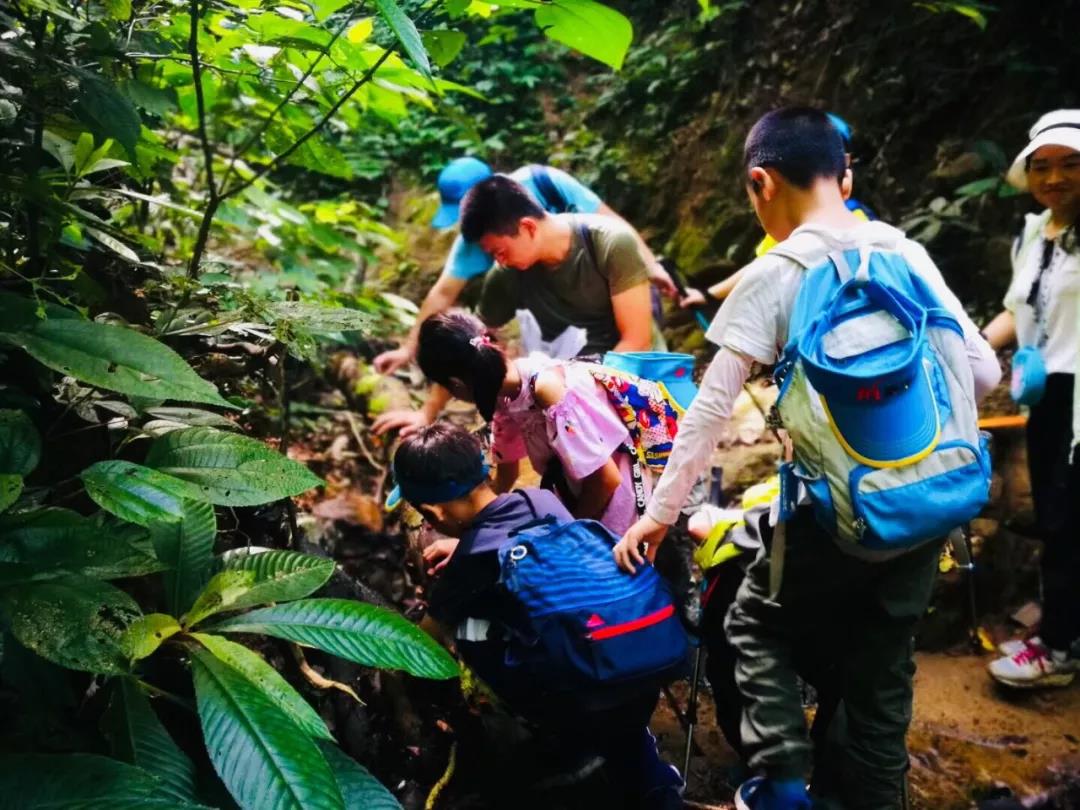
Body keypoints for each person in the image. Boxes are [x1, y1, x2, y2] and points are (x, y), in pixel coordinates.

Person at [614, 108, 1000, 809]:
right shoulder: (905, 252)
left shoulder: (778, 274)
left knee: (755, 623)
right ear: (842, 173)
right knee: (882, 680)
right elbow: (983, 378)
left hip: (835, 520)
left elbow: (705, 413)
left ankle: (782, 784)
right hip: (930, 508)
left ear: (761, 181)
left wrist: (657, 513)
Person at [397, 423, 684, 809]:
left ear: (431, 512)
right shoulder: (540, 502)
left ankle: (547, 740)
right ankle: (650, 776)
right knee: (624, 740)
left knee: (468, 627)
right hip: (639, 668)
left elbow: (422, 640)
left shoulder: (472, 561)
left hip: (580, 698)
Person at [374, 161, 677, 437]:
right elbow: (467, 347)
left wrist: (568, 394)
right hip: (572, 409)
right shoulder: (506, 274)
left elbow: (636, 342)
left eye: (500, 252)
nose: (499, 262)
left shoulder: (608, 242)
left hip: (637, 388)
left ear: (528, 228)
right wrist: (427, 412)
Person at [982, 109, 1080, 688]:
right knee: (1056, 516)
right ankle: (1064, 631)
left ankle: (1058, 650)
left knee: (1070, 522)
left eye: (1071, 164)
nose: (1055, 178)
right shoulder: (1032, 233)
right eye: (1042, 167)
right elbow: (1017, 314)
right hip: (1046, 393)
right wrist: (970, 346)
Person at [414, 310, 654, 540]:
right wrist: (471, 532)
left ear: (456, 384)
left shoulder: (548, 390)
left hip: (619, 504)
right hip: (577, 497)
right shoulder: (504, 396)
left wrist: (563, 534)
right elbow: (506, 475)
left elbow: (606, 480)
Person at [681, 113, 876, 308]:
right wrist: (708, 295)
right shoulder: (860, 225)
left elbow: (764, 268)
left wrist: (708, 296)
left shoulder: (852, 223)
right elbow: (761, 267)